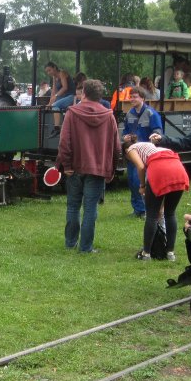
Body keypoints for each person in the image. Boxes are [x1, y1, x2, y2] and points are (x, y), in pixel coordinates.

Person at [56, 80, 120, 253]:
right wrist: (111, 170)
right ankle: (85, 247)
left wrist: (66, 165)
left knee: (73, 206)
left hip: (75, 167)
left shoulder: (72, 113)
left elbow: (64, 142)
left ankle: (70, 243)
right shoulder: (109, 115)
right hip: (97, 169)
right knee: (90, 208)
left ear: (83, 93)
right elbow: (117, 147)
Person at [123, 140, 189, 261]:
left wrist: (142, 186)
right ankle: (170, 253)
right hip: (178, 169)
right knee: (170, 213)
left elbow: (141, 167)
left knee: (152, 215)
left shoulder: (131, 148)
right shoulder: (154, 148)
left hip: (160, 170)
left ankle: (146, 253)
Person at [122, 86, 163, 218]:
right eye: (131, 96)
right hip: (132, 152)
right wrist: (125, 137)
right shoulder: (129, 114)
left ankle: (146, 209)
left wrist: (154, 137)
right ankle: (137, 209)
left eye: (135, 97)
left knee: (143, 181)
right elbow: (125, 131)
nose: (132, 99)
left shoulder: (151, 113)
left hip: (146, 154)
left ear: (143, 98)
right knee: (132, 181)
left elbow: (158, 131)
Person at [45, 61, 75, 137]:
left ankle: (57, 128)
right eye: (47, 71)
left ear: (54, 67)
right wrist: (49, 103)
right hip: (64, 97)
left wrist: (55, 97)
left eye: (49, 70)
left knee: (55, 105)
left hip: (71, 96)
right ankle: (60, 126)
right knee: (52, 106)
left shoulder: (62, 73)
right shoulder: (54, 77)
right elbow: (53, 91)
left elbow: (65, 88)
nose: (49, 73)